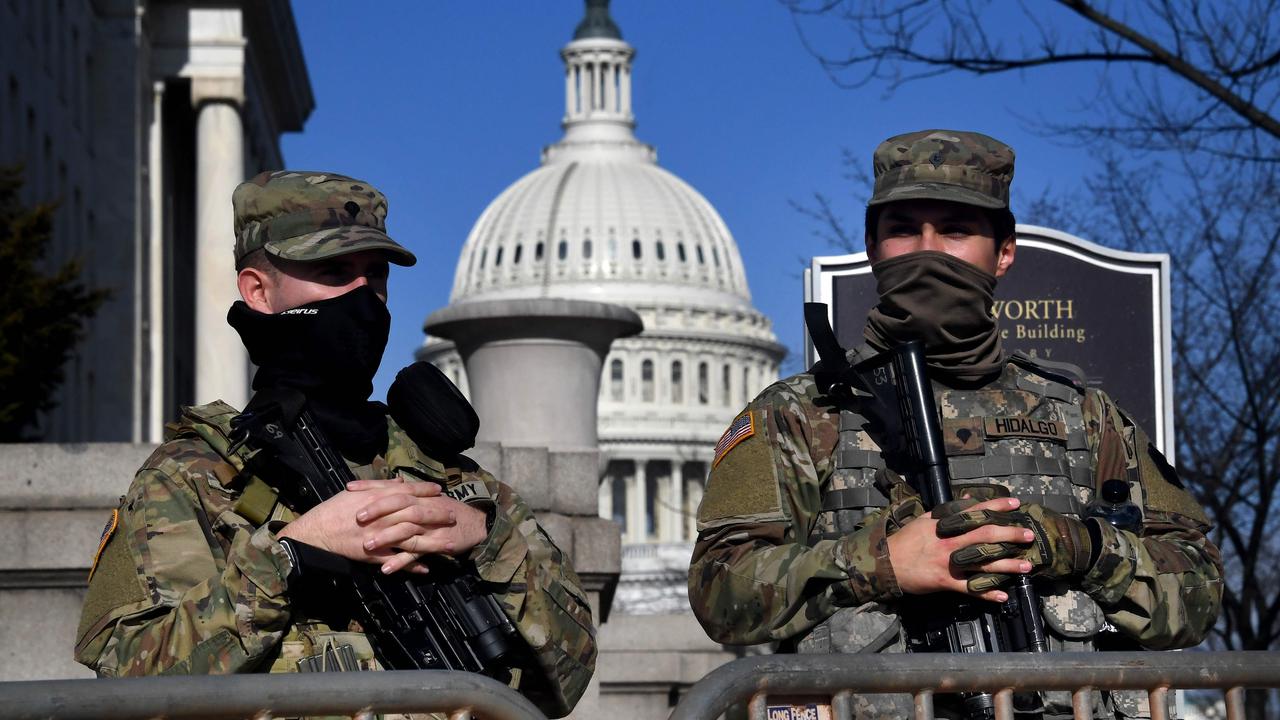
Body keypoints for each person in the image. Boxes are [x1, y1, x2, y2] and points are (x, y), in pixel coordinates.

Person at [688, 131, 1222, 719]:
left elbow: (1198, 593)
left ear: (1005, 251)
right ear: (872, 246)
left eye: (956, 230)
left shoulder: (1087, 418)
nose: (928, 252)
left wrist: (1076, 546)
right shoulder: (796, 415)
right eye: (904, 229)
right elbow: (720, 592)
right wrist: (881, 562)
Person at [75, 171, 595, 718]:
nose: (363, 299)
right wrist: (288, 558)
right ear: (258, 291)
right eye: (332, 272)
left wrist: (488, 544)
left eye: (375, 276)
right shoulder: (190, 478)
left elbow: (569, 675)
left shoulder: (450, 477)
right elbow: (129, 676)